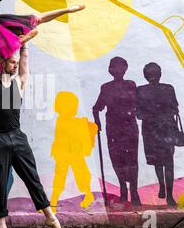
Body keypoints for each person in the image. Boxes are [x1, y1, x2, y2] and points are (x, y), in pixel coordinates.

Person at [0, 29, 66, 228]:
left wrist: (24, 42)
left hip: (18, 138)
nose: (15, 65)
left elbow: (25, 61)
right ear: (3, 62)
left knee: (32, 179)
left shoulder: (20, 84)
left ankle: (51, 218)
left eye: (16, 63)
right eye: (11, 62)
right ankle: (3, 226)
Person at [93, 57, 141, 206]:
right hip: (113, 128)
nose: (118, 70)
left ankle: (133, 190)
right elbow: (96, 108)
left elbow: (139, 104)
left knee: (132, 159)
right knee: (117, 159)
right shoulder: (105, 87)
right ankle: (123, 189)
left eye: (121, 67)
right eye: (114, 67)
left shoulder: (131, 85)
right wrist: (98, 123)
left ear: (125, 68)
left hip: (129, 127)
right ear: (110, 70)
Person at [136, 62, 179, 207]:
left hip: (162, 130)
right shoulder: (143, 91)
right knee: (161, 162)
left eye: (155, 74)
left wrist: (156, 117)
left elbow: (175, 109)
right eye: (151, 74)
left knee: (166, 162)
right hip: (155, 130)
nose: (153, 77)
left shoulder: (167, 89)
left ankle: (170, 194)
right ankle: (164, 188)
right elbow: (138, 113)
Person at [50, 91, 98, 211]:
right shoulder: (62, 121)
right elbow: (59, 138)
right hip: (64, 154)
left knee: (81, 176)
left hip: (74, 154)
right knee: (60, 178)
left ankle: (88, 195)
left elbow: (90, 127)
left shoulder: (72, 121)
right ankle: (54, 203)